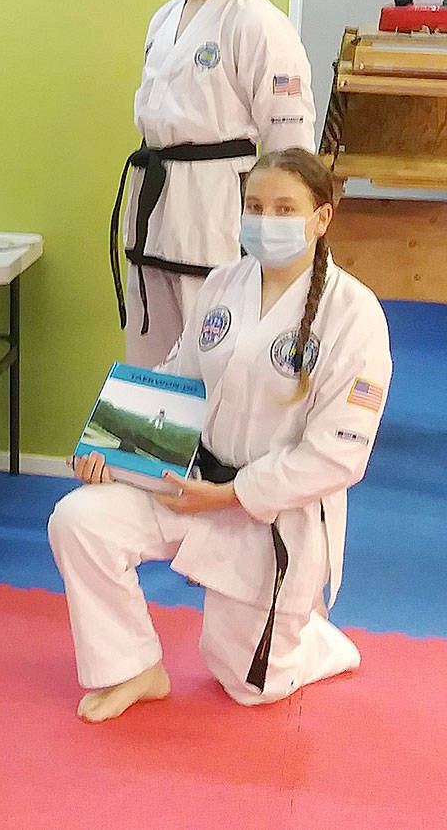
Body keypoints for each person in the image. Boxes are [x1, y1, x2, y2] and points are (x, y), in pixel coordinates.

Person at [53, 148, 392, 721]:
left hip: (274, 515)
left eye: (286, 208)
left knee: (249, 686)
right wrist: (109, 447)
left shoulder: (354, 313)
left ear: (322, 218)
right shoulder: (223, 284)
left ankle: (315, 639)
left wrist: (232, 496)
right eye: (255, 206)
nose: (267, 220)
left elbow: (338, 457)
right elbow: (176, 382)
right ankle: (132, 667)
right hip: (194, 485)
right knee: (80, 519)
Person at [112, 0, 316, 369]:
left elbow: (290, 148)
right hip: (154, 203)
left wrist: (284, 227)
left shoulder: (261, 24)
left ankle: (215, 450)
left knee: (212, 354)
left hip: (216, 210)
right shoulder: (163, 20)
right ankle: (147, 448)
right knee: (149, 355)